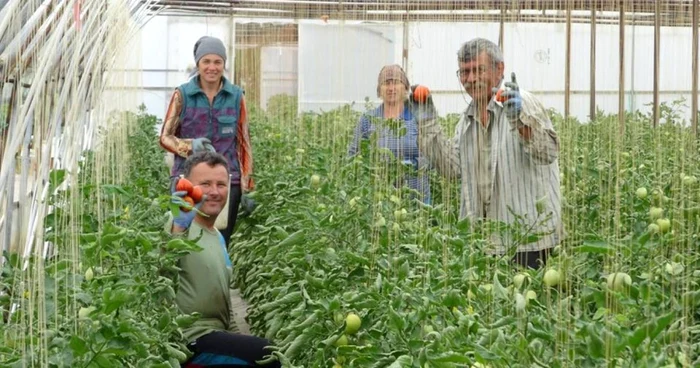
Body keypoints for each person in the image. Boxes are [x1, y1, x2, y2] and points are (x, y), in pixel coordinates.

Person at [414, 38, 564, 269]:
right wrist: (427, 123)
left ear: (499, 69)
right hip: (485, 243)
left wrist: (519, 120)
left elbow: (548, 152)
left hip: (529, 240)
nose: (471, 79)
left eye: (478, 70)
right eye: (464, 72)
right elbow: (452, 169)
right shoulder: (466, 121)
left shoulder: (522, 102)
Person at [166, 151, 279, 368]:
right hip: (188, 339)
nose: (215, 191)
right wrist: (178, 229)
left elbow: (226, 309)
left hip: (213, 336)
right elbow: (159, 271)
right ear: (187, 186)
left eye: (221, 184)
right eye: (205, 184)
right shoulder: (176, 222)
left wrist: (240, 339)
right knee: (271, 356)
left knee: (265, 354)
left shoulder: (217, 236)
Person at [160, 35, 254, 246]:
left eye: (217, 62)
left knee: (219, 240)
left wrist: (247, 186)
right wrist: (189, 145)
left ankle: (217, 278)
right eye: (206, 61)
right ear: (198, 64)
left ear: (224, 64)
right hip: (186, 180)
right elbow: (165, 137)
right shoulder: (183, 95)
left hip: (225, 183)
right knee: (182, 239)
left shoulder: (236, 96)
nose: (212, 67)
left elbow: (244, 143)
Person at [348, 64, 431, 204]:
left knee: (415, 226)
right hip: (378, 199)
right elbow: (353, 154)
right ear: (379, 90)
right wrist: (367, 171)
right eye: (386, 83)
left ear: (405, 88)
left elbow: (433, 155)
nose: (391, 88)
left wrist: (410, 166)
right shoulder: (368, 120)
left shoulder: (419, 118)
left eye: (397, 82)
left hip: (417, 197)